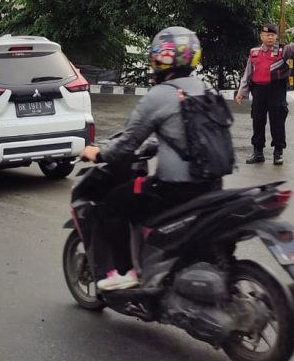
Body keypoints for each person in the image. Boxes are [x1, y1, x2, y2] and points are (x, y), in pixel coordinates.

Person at [77, 26, 218, 292]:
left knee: (112, 204)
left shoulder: (160, 94)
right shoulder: (206, 89)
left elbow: (127, 144)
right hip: (212, 184)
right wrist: (157, 143)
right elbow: (189, 133)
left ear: (159, 59)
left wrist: (98, 152)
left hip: (176, 190)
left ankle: (124, 271)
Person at [235, 23, 294, 165]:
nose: (270, 37)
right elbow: (247, 74)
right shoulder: (254, 52)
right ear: (261, 36)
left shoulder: (283, 51)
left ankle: (278, 153)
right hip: (258, 91)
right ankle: (258, 153)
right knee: (257, 121)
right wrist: (241, 92)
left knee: (277, 121)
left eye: (272, 35)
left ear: (276, 36)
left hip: (276, 90)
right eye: (267, 35)